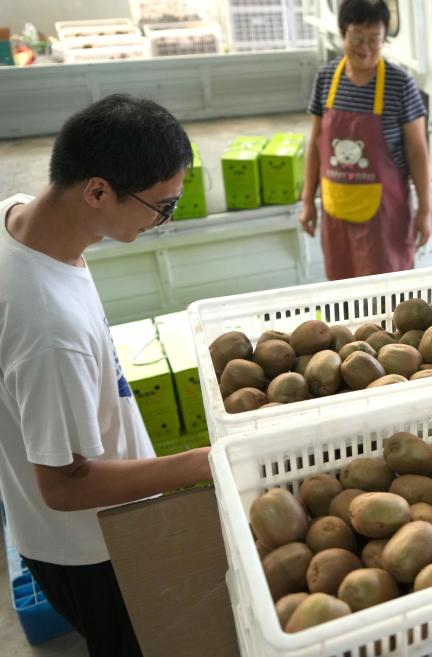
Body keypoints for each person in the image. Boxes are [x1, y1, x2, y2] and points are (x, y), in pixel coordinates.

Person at [0, 94, 213, 657]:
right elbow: (64, 486)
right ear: (96, 190)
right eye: (161, 207)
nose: (163, 222)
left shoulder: (18, 215)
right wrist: (198, 464)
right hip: (92, 546)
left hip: (80, 530)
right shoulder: (48, 328)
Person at [300, 0, 431, 280]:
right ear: (343, 33)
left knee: (389, 293)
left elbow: (418, 152)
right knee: (343, 292)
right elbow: (315, 145)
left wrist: (425, 210)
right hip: (337, 214)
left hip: (385, 219)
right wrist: (308, 200)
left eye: (375, 40)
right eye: (358, 38)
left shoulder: (400, 85)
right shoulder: (325, 79)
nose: (366, 48)